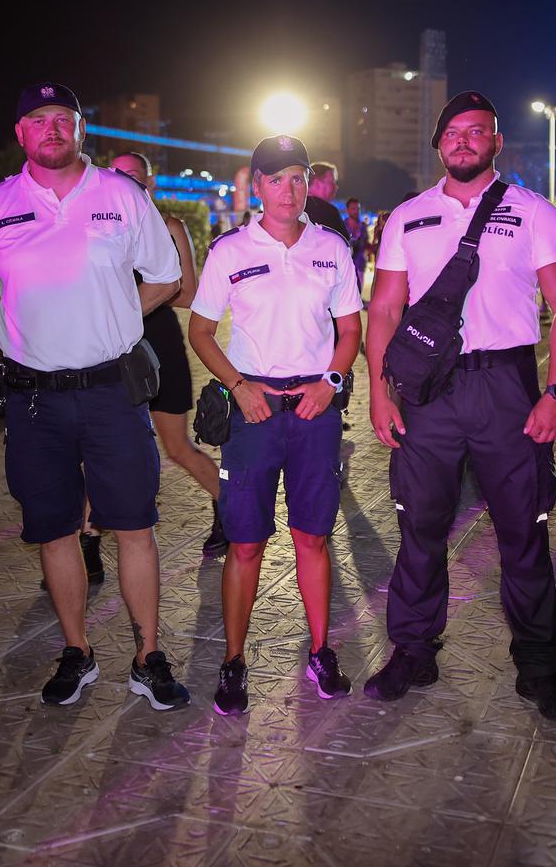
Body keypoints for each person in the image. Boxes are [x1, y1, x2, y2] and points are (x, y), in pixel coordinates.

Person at [0, 83, 191, 711]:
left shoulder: (121, 196)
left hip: (112, 392)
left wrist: (114, 313)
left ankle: (148, 657)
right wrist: (28, 321)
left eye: (63, 118)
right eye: (38, 119)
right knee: (56, 529)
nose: (52, 129)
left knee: (135, 526)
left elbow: (167, 277)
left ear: (80, 128)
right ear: (20, 132)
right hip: (35, 400)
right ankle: (77, 650)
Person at [364, 91, 556, 722]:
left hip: (506, 388)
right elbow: (385, 308)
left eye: (477, 131)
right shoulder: (408, 216)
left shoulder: (534, 212)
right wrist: (380, 391)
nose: (464, 141)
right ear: (439, 144)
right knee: (420, 527)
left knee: (523, 530)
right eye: (453, 132)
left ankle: (539, 666)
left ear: (496, 142)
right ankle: (413, 650)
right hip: (428, 393)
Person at [187, 135, 364, 714]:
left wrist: (330, 383)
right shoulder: (230, 250)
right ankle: (234, 660)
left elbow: (350, 330)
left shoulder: (331, 247)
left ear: (308, 182)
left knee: (312, 537)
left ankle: (320, 650)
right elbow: (201, 331)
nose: (289, 190)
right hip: (253, 413)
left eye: (298, 177)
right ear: (257, 185)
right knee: (245, 543)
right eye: (276, 179)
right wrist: (239, 388)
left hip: (314, 411)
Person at [109, 150, 225, 560]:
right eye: (117, 176)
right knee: (104, 450)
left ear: (150, 182)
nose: (125, 183)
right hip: (111, 347)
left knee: (177, 447)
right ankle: (87, 542)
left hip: (159, 343)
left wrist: (134, 298)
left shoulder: (169, 225)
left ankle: (229, 509)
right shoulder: (99, 227)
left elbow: (189, 293)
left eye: (133, 176)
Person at [305, 161, 351, 242]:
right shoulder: (330, 212)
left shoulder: (295, 208)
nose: (336, 187)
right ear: (317, 183)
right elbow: (345, 244)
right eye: (332, 182)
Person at [345, 197, 371, 295]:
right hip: (345, 266)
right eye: (353, 209)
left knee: (358, 294)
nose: (356, 211)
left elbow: (366, 243)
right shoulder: (342, 225)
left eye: (358, 209)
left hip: (359, 265)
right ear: (347, 210)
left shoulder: (363, 226)